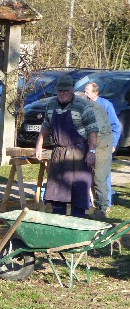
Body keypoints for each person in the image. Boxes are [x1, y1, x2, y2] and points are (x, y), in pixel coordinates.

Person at [35, 74, 99, 217]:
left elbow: (93, 130)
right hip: (59, 153)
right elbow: (46, 126)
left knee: (79, 194)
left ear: (71, 90)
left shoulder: (83, 106)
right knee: (57, 194)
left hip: (79, 154)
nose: (62, 94)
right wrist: (39, 145)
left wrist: (92, 151)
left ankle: (77, 226)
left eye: (65, 91)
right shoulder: (51, 104)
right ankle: (59, 226)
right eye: (59, 91)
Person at [83, 81, 122, 218]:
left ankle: (105, 206)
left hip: (104, 144)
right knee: (90, 175)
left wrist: (113, 144)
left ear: (95, 92)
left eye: (87, 91)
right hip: (91, 144)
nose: (85, 93)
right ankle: (89, 203)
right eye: (84, 91)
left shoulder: (105, 105)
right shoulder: (85, 105)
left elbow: (115, 126)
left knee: (101, 175)